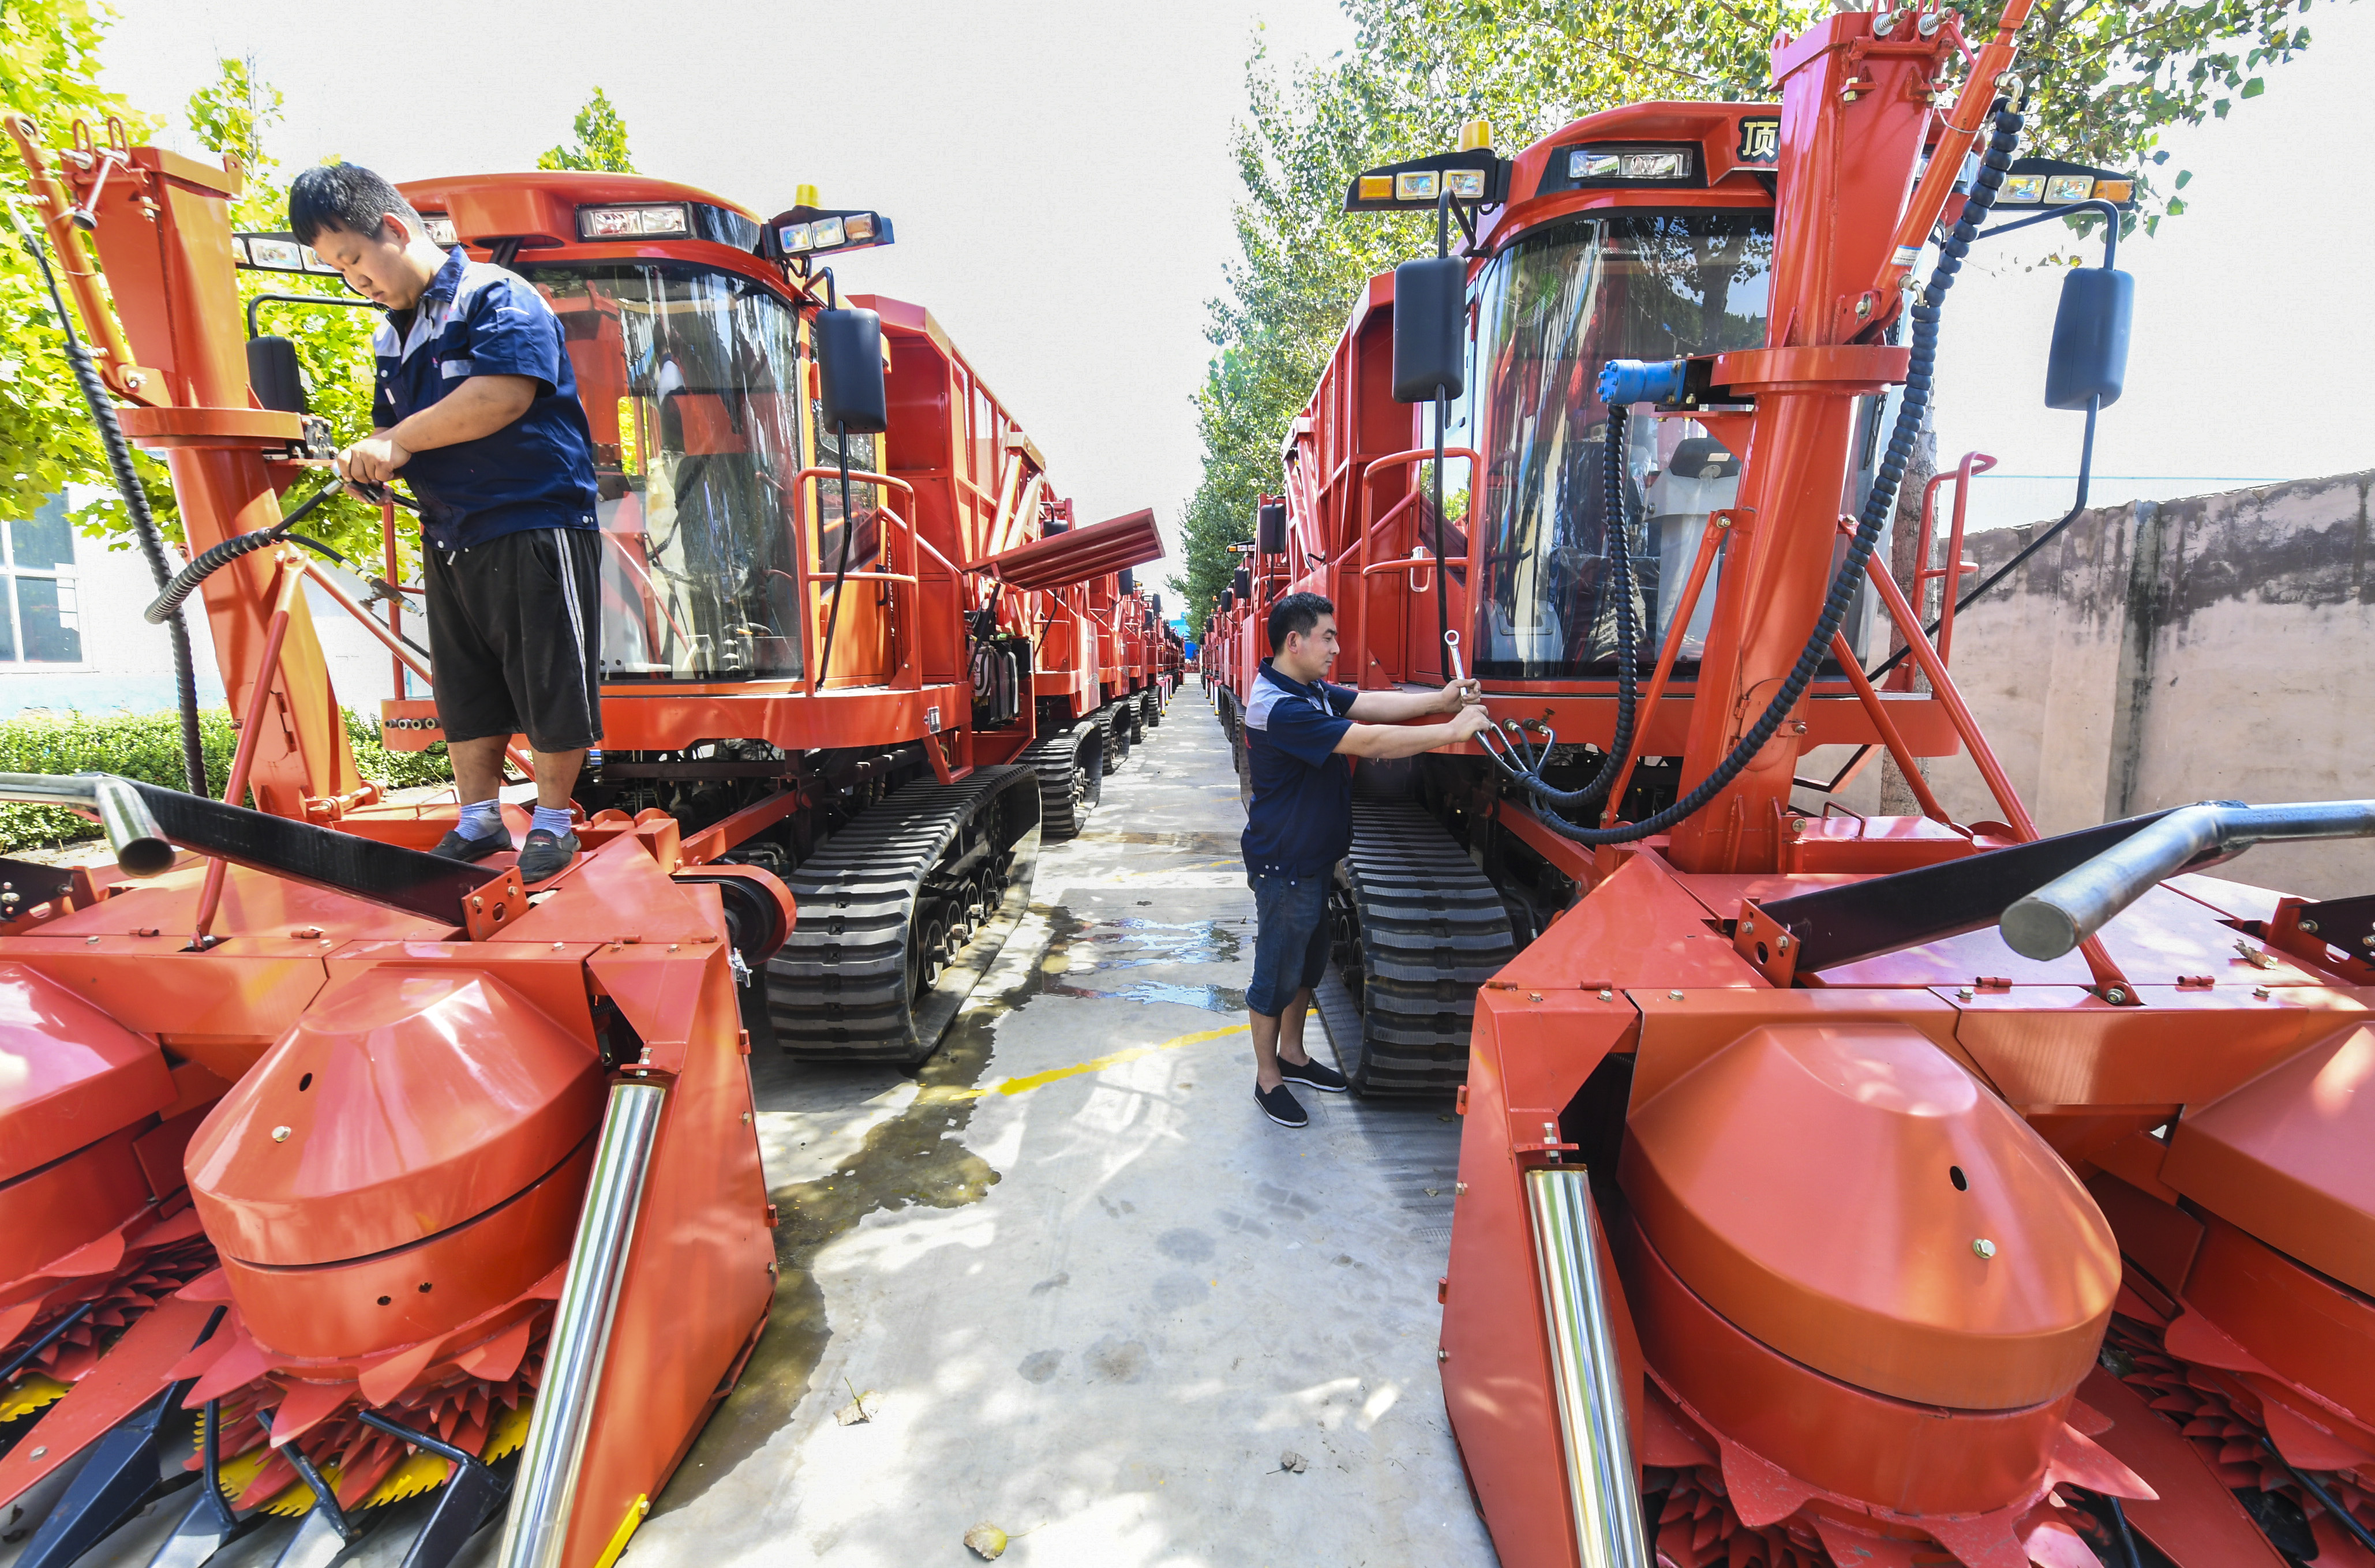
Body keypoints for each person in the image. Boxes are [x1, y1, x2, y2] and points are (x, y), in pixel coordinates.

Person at [291, 163, 602, 881]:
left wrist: (397, 443)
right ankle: (480, 820)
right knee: (466, 684)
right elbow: (396, 429)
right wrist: (378, 463)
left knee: (548, 674)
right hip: (452, 528)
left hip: (532, 517)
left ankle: (553, 823)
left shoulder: (495, 296)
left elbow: (500, 396)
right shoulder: (393, 336)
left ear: (394, 230)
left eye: (353, 260)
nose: (354, 280)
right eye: (339, 271)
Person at [1241, 591, 1489, 1128]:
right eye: (1328, 636)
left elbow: (1367, 704)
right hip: (1284, 865)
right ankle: (1268, 1079)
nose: (1336, 647)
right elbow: (1368, 737)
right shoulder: (1280, 707)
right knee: (1275, 976)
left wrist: (1441, 700)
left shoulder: (1306, 690)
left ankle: (1295, 1056)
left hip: (1311, 857)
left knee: (1307, 967)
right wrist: (1450, 732)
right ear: (1295, 641)